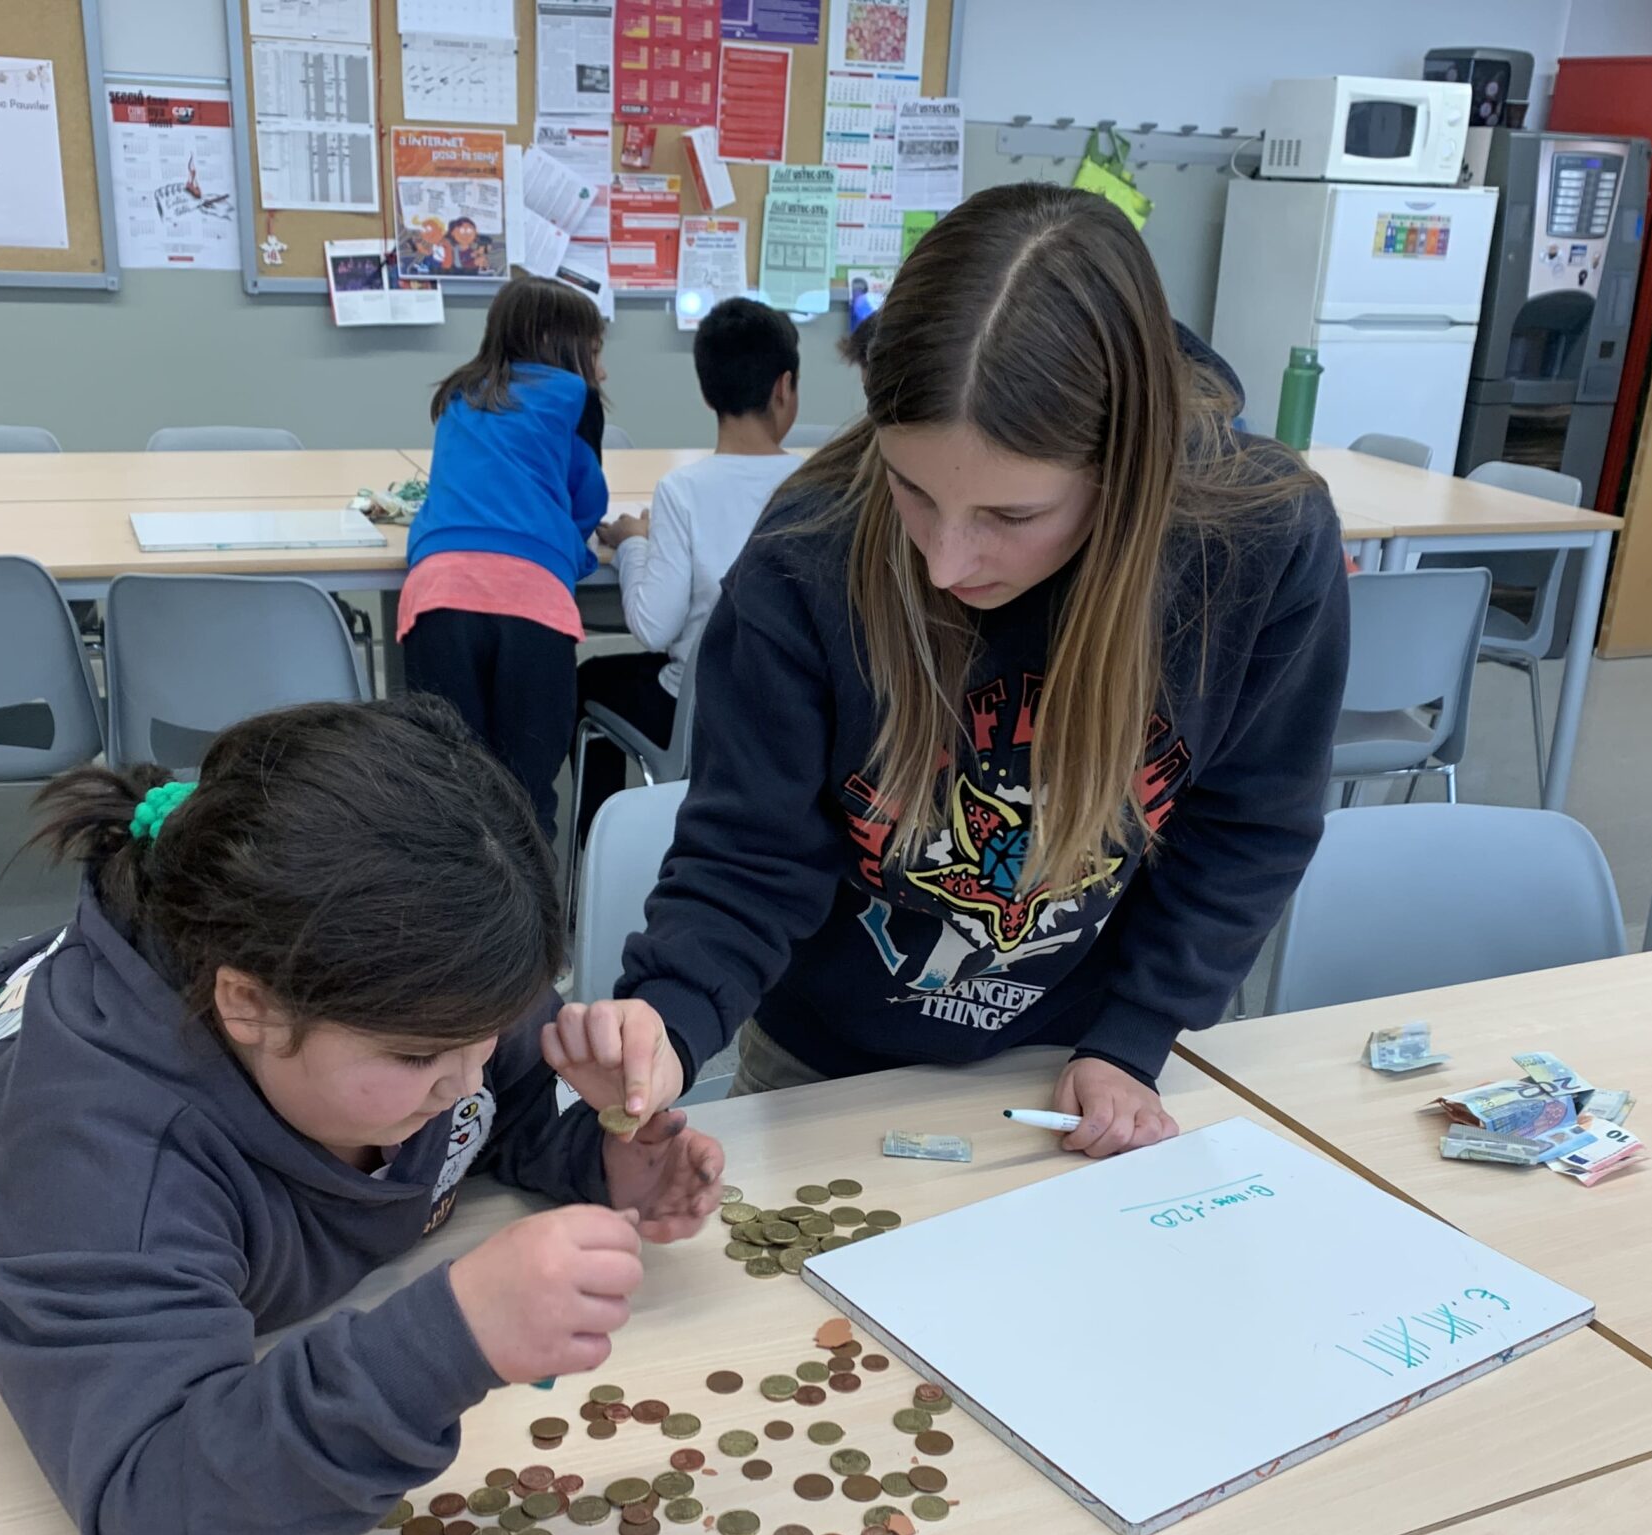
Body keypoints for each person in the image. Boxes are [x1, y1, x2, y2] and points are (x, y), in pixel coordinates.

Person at [0, 699, 718, 1535]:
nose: (466, 1080)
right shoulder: (95, 1161)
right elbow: (156, 1512)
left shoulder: (408, 996)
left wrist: (599, 1154)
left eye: (490, 1034)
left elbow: (489, 1110)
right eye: (423, 1057)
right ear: (248, 1004)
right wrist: (448, 1340)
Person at [609, 182, 1350, 1158]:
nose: (945, 564)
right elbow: (750, 853)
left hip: (1078, 1058)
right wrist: (666, 1021)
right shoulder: (806, 553)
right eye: (911, 489)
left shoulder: (1258, 542)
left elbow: (1247, 824)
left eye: (1011, 516)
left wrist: (1135, 1034)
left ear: (1123, 472)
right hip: (824, 1061)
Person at [576, 295, 803, 838]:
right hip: (796, 707)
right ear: (784, 387)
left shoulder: (683, 492)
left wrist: (634, 545)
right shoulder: (816, 486)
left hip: (704, 710)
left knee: (588, 679)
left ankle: (600, 852)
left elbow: (653, 627)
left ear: (706, 393)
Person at [401, 276, 611, 838]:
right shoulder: (576, 398)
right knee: (526, 797)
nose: (602, 370)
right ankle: (530, 895)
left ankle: (453, 894)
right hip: (531, 604)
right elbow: (588, 502)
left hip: (436, 596)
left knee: (449, 784)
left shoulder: (458, 395)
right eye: (595, 352)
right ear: (553, 342)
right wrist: (576, 553)